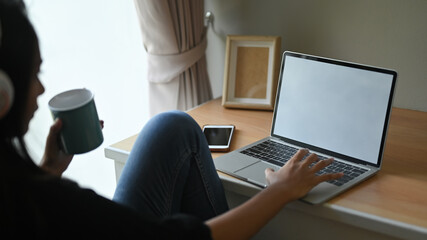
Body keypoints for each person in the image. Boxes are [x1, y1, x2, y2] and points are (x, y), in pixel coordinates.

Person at [0, 0, 343, 239]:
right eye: (33, 74)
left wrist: (47, 171)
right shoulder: (44, 201)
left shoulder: (28, 191)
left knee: (172, 126)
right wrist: (279, 192)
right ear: (2, 94)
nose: (41, 88)